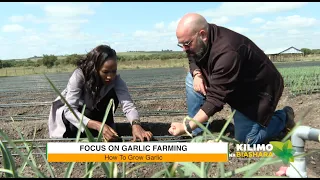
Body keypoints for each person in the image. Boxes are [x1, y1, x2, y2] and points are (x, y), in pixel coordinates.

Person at [168, 13, 296, 145]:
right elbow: (192, 56)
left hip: (256, 90)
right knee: (191, 79)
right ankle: (198, 132)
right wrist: (196, 74)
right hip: (231, 80)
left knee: (248, 140)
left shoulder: (228, 52)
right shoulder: (201, 39)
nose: (184, 49)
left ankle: (283, 117)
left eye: (187, 44)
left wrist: (186, 126)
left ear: (203, 35)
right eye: (181, 44)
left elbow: (215, 100)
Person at [48, 45, 153, 142]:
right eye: (105, 72)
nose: (110, 76)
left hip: (98, 115)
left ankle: (103, 129)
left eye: (114, 71)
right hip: (76, 119)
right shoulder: (79, 76)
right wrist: (98, 126)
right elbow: (69, 111)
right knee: (81, 124)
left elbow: (128, 105)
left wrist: (136, 125)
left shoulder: (116, 81)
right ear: (95, 68)